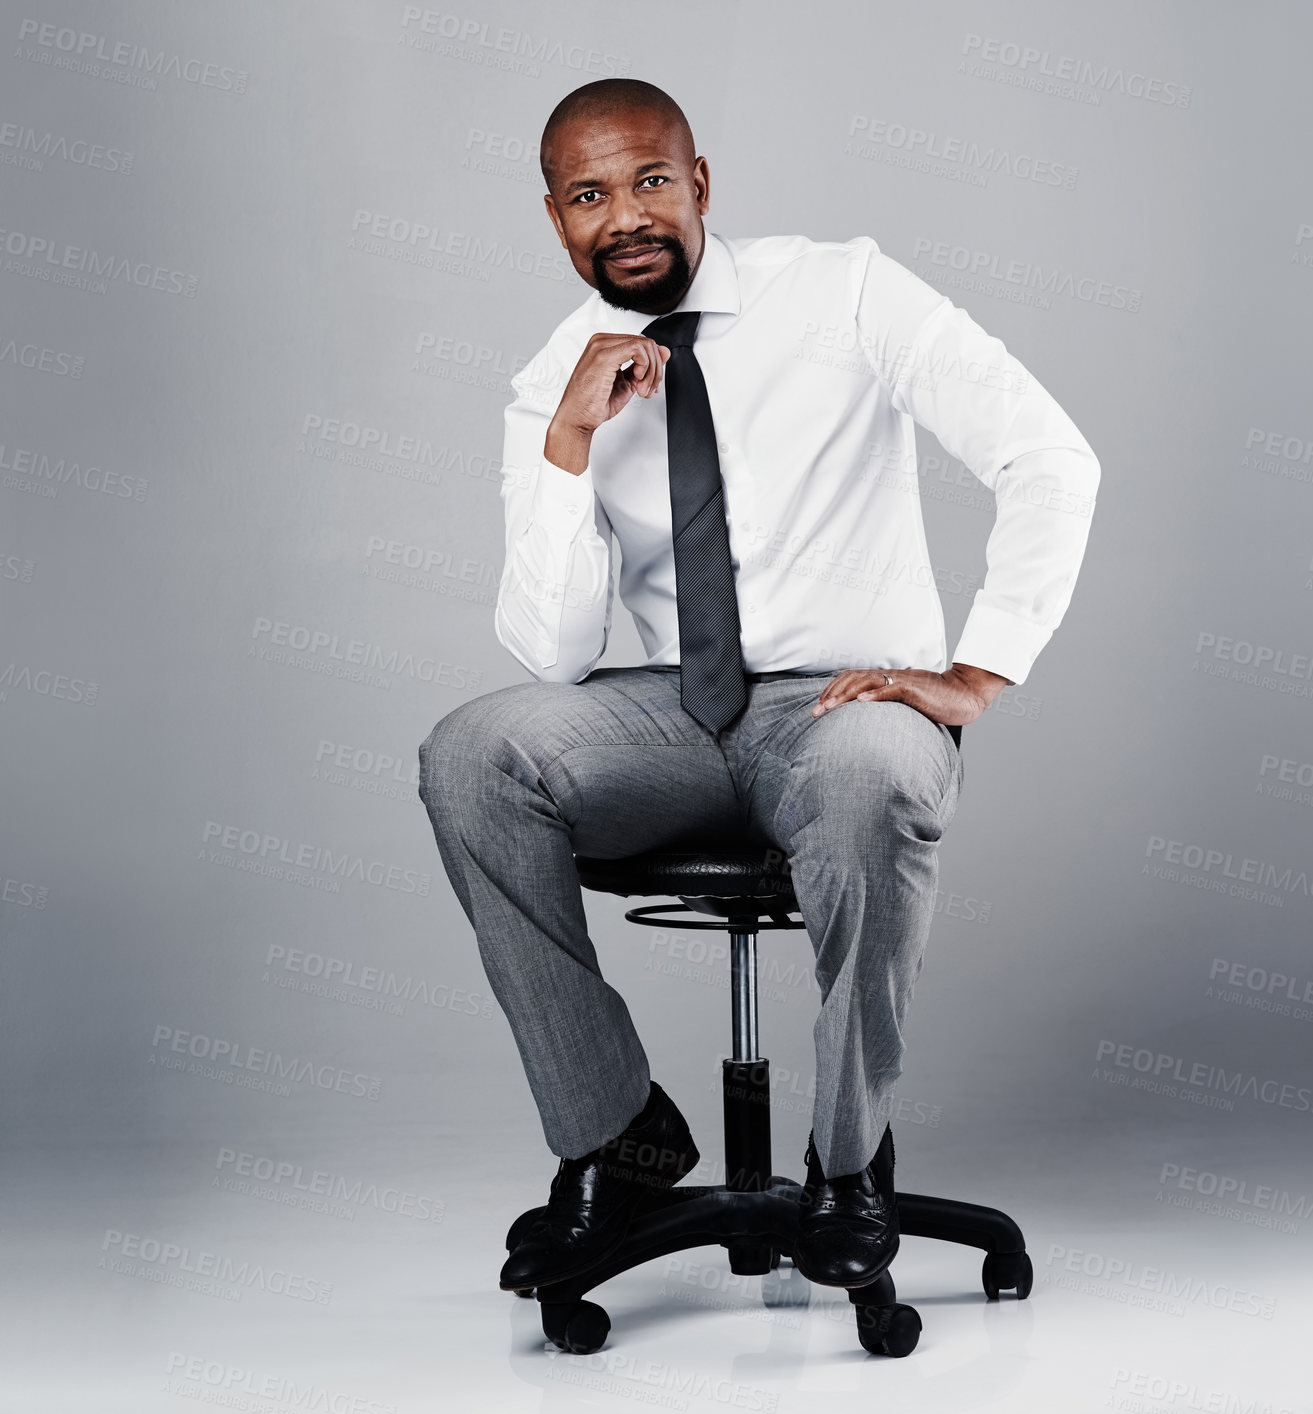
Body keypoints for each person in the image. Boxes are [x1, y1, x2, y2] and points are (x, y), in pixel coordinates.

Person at [418, 78, 1100, 1296]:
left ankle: (847, 1163)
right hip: (671, 714)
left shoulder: (842, 288)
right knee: (473, 752)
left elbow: (1047, 453)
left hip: (847, 704)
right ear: (554, 219)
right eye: (588, 196)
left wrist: (977, 670)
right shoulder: (548, 381)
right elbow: (553, 654)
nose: (624, 216)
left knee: (870, 771)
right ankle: (618, 1138)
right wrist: (568, 447)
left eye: (648, 182)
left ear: (700, 185)